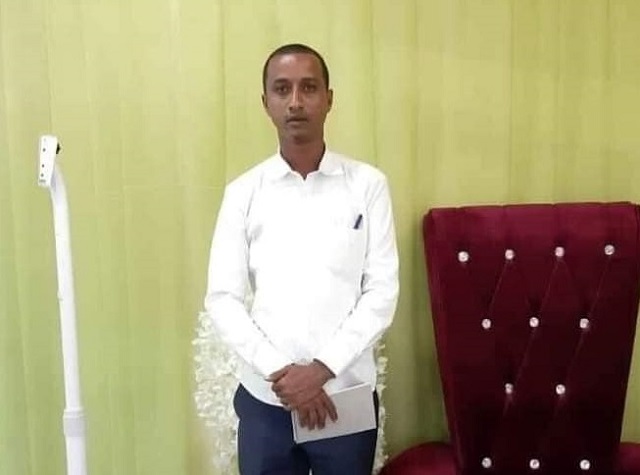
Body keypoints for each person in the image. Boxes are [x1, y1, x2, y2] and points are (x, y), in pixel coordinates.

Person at [203, 43, 399, 475]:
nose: (295, 101)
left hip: (343, 396)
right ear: (266, 103)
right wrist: (282, 373)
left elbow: (382, 292)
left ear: (329, 99)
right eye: (282, 89)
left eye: (308, 88)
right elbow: (222, 298)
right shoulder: (244, 193)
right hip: (266, 399)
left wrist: (322, 370)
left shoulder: (367, 186)